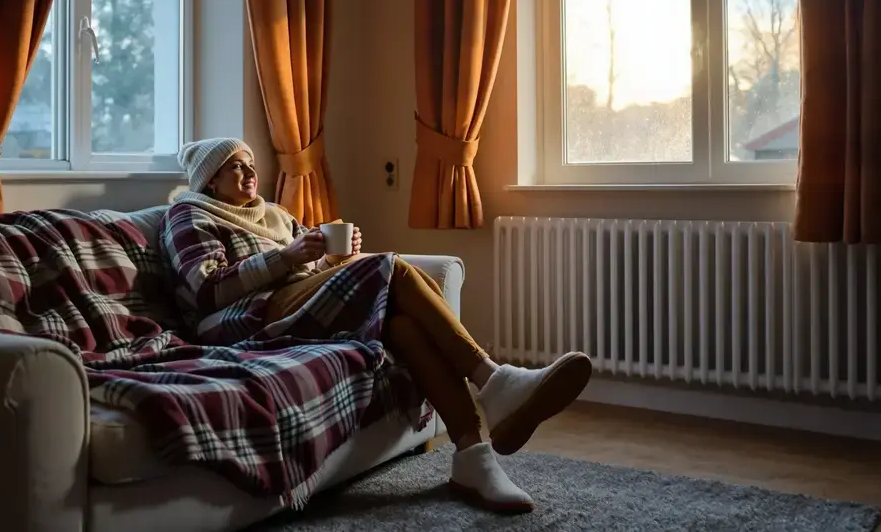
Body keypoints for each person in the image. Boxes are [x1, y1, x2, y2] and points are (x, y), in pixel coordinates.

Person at [163, 137, 592, 514]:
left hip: (295, 302)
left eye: (249, 163)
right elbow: (208, 289)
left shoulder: (273, 214)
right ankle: (494, 381)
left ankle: (473, 458)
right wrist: (289, 257)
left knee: (404, 326)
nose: (249, 171)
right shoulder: (190, 215)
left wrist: (333, 258)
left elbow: (306, 266)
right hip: (240, 319)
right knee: (392, 268)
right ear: (210, 181)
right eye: (234, 166)